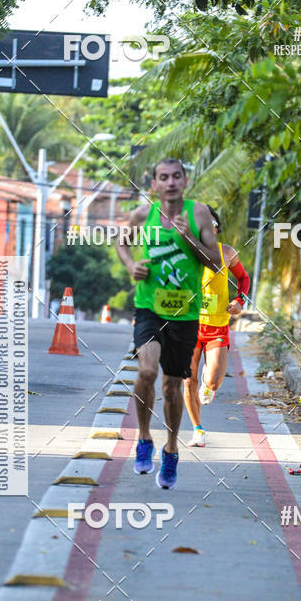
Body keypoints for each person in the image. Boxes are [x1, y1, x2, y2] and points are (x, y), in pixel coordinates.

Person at [116, 158, 221, 489]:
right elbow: (122, 242)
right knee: (147, 371)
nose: (171, 182)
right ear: (155, 185)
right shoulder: (142, 215)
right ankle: (144, 438)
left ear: (185, 181)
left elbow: (216, 262)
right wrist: (132, 265)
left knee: (171, 387)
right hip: (149, 307)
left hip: (185, 314)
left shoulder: (199, 213)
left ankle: (172, 448)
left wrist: (190, 238)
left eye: (177, 176)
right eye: (164, 177)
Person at [184, 206, 250, 447]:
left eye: (211, 225)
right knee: (188, 381)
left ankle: (208, 382)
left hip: (217, 327)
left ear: (217, 228)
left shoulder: (228, 253)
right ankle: (198, 430)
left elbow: (243, 278)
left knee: (212, 382)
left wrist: (238, 300)